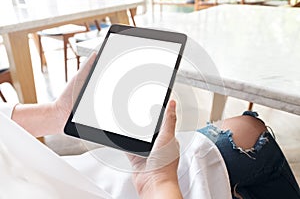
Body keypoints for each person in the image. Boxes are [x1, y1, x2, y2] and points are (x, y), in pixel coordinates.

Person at [1, 53, 300, 199]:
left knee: (241, 131)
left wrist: (55, 113)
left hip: (60, 176)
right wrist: (157, 180)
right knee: (249, 133)